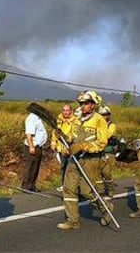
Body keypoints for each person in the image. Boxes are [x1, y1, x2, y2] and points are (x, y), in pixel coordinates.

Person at [57, 90, 114, 230]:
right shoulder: (76, 119)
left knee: (85, 191)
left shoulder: (99, 120)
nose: (83, 106)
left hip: (91, 159)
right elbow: (71, 138)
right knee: (69, 188)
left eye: (86, 103)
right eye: (81, 103)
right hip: (74, 159)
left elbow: (102, 143)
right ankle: (72, 221)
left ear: (93, 104)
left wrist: (83, 146)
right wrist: (62, 136)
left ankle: (105, 207)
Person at [50, 104, 78, 192]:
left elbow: (75, 134)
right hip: (60, 148)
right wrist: (53, 143)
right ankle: (63, 184)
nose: (65, 112)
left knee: (71, 168)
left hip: (69, 148)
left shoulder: (75, 121)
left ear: (71, 111)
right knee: (63, 167)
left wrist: (67, 138)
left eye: (67, 110)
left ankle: (73, 186)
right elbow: (55, 132)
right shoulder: (59, 119)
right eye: (64, 110)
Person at [21, 103, 47, 192]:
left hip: (38, 146)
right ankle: (26, 186)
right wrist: (31, 147)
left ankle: (32, 185)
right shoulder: (31, 118)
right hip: (33, 146)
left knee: (35, 167)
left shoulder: (37, 118)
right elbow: (29, 134)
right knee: (30, 166)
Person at [96, 105, 117, 197]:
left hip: (108, 152)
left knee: (107, 173)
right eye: (101, 115)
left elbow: (107, 135)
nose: (103, 116)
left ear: (108, 115)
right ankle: (100, 191)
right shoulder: (97, 125)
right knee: (97, 173)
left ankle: (110, 189)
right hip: (98, 152)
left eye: (105, 114)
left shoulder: (111, 125)